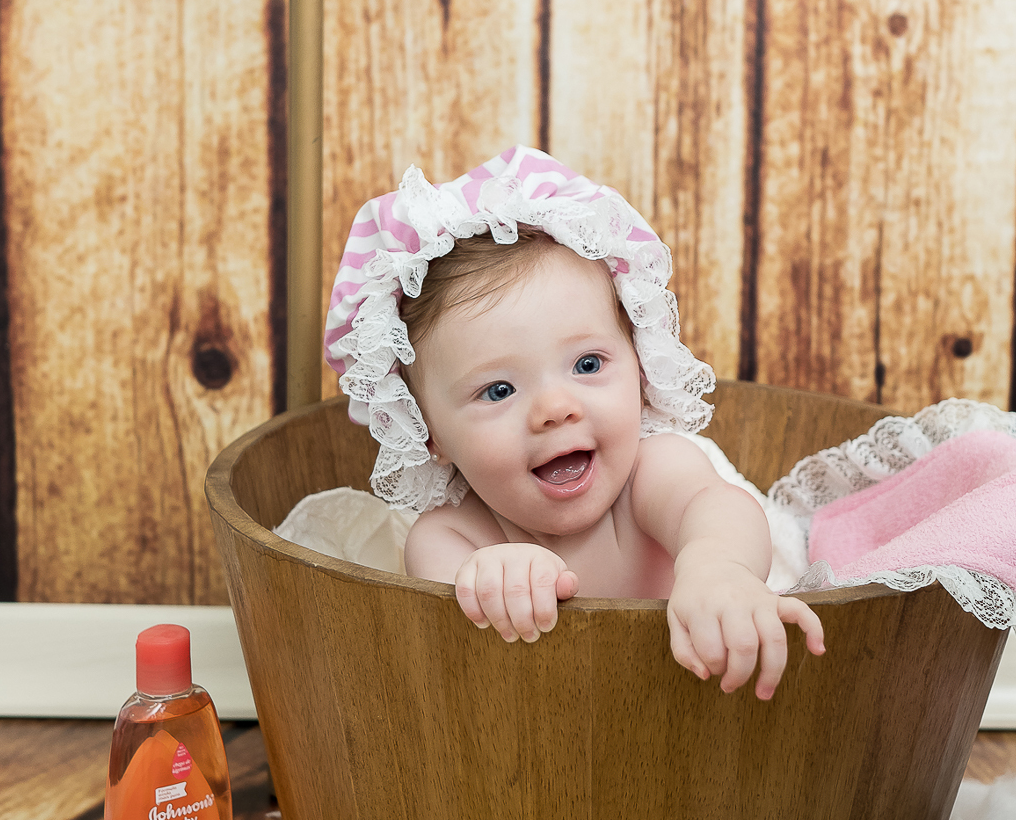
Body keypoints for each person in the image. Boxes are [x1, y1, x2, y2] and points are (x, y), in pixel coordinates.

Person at [325, 145, 825, 698]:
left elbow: (717, 507)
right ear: (429, 432)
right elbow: (459, 651)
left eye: (588, 364)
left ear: (638, 366)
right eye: (498, 390)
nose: (555, 409)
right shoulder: (452, 535)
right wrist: (492, 578)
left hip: (693, 702)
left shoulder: (652, 472)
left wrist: (718, 567)